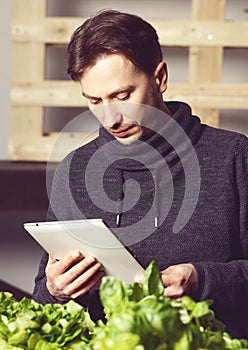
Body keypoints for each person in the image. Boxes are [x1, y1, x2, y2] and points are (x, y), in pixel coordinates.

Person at [33, 9, 248, 338]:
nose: (110, 118)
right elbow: (43, 297)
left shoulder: (234, 156)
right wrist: (56, 289)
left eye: (122, 96)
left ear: (159, 77)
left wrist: (200, 280)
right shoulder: (74, 171)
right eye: (94, 100)